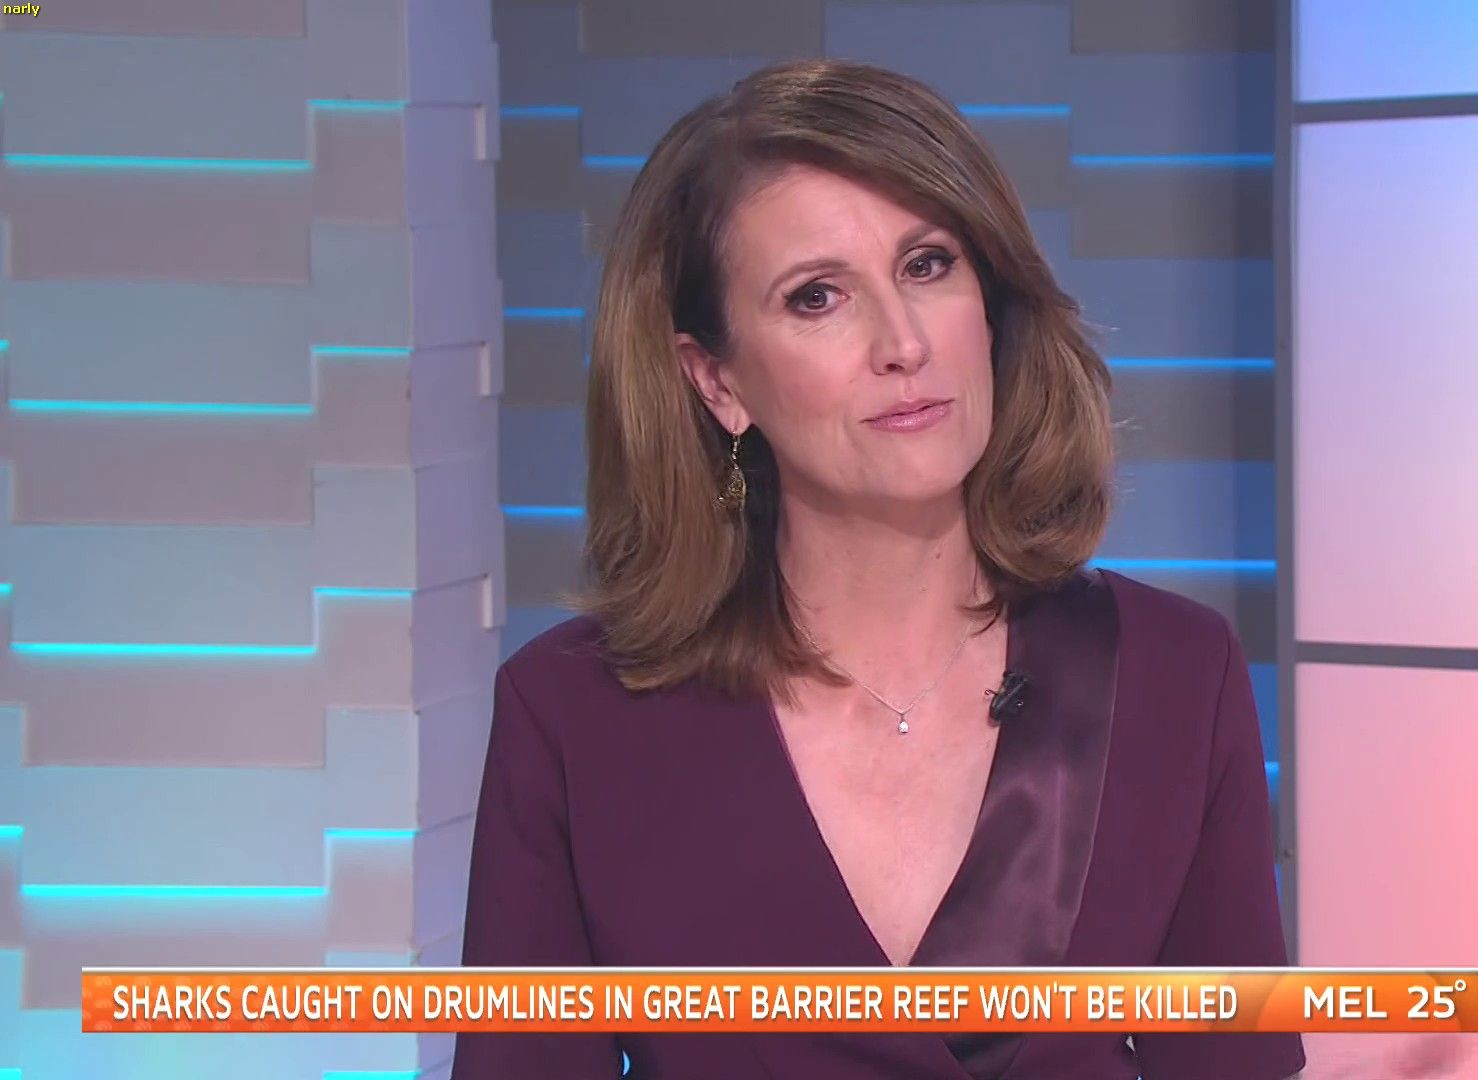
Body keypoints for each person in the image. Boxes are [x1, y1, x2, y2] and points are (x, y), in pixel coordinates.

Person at [451, 58, 1307, 1080]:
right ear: (717, 381)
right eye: (817, 297)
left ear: (989, 302)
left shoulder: (1178, 675)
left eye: (928, 265)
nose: (902, 343)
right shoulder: (573, 719)